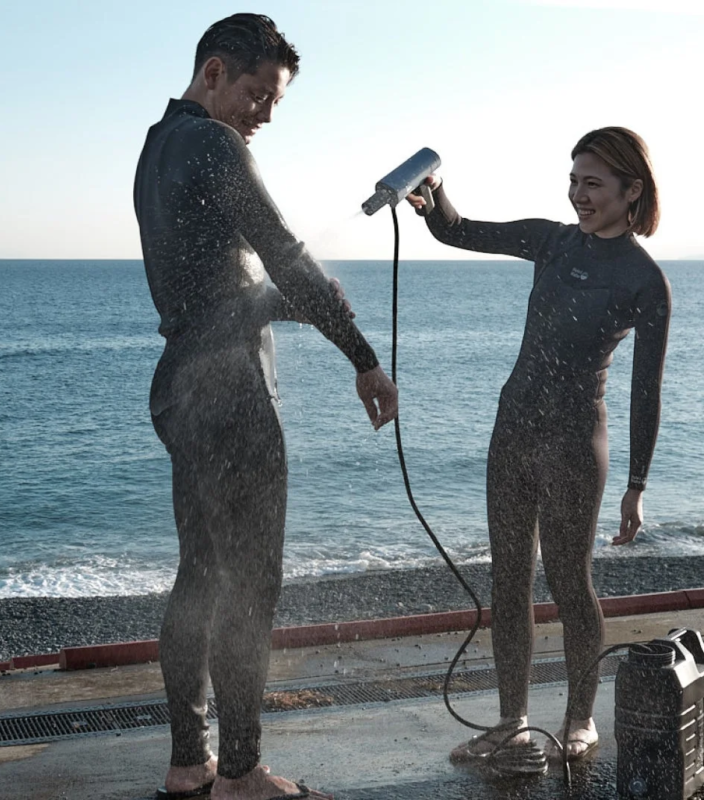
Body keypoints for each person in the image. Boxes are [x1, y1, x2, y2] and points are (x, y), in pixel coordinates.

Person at [133, 14, 398, 800]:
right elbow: (282, 247)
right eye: (257, 94)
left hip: (182, 384)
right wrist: (364, 358)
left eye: (274, 99)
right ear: (214, 73)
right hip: (232, 393)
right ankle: (242, 772)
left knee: (200, 578)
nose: (266, 114)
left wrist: (280, 302)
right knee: (251, 584)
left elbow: (209, 285)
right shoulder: (216, 145)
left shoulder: (157, 146)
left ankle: (190, 763)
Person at [408, 127, 670, 764]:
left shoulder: (644, 281)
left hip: (576, 443)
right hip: (513, 430)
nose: (579, 195)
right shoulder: (551, 242)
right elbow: (459, 230)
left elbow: (645, 393)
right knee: (508, 582)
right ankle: (510, 723)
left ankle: (581, 719)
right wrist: (435, 194)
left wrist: (637, 484)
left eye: (594, 183)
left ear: (631, 190)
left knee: (570, 584)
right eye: (574, 180)